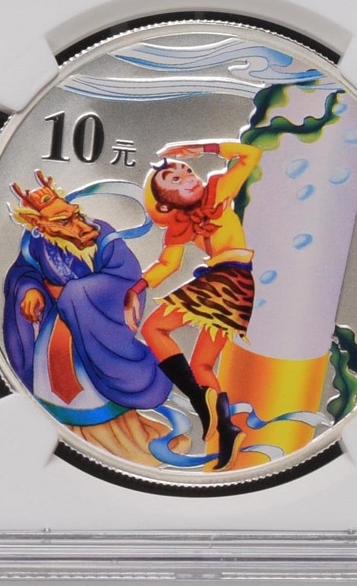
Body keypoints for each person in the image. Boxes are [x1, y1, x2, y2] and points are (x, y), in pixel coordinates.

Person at [4, 171, 175, 466]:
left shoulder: (101, 234)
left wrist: (76, 294)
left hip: (97, 325)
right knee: (54, 380)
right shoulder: (34, 243)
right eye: (63, 221)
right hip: (56, 331)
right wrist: (30, 290)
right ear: (40, 224)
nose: (76, 224)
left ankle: (122, 441)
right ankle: (62, 441)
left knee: (96, 380)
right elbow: (23, 273)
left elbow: (125, 274)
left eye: (73, 215)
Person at [124, 140, 261, 470]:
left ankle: (202, 403)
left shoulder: (218, 191)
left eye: (186, 170)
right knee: (202, 366)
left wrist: (204, 147)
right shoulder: (179, 226)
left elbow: (251, 154)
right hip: (232, 285)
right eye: (175, 179)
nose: (188, 176)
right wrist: (137, 287)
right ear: (165, 202)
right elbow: (167, 265)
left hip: (229, 279)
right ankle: (227, 430)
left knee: (155, 328)